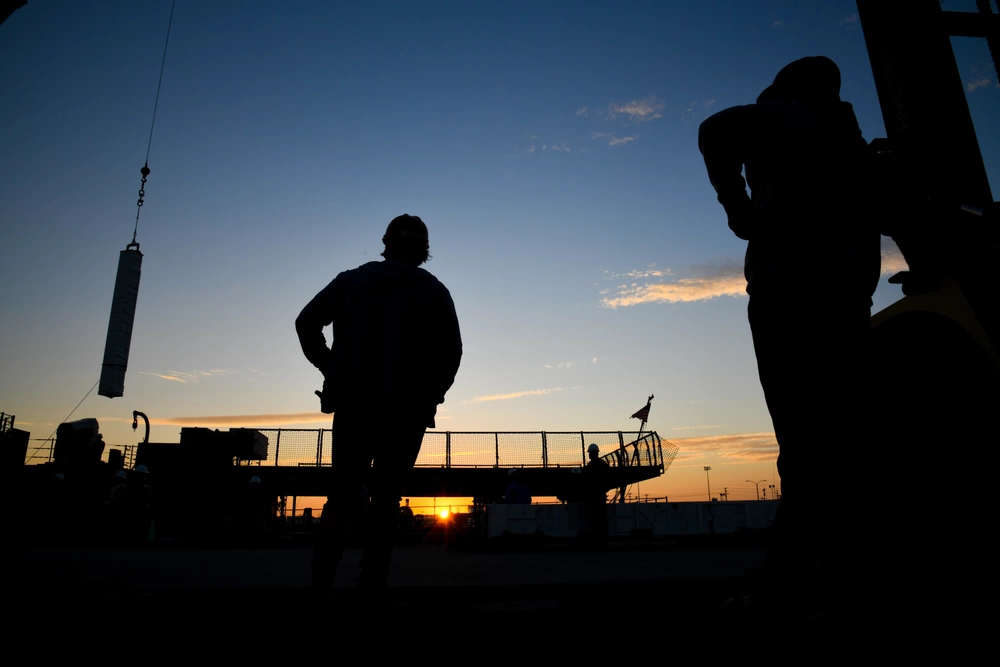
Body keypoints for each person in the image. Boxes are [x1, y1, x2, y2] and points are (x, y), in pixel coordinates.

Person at [698, 56, 880, 618]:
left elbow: (714, 130)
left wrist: (739, 211)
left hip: (791, 304)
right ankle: (838, 574)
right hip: (847, 305)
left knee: (805, 448)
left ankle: (787, 592)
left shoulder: (789, 118)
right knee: (841, 444)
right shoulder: (850, 144)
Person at [297, 214, 463, 598]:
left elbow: (306, 323)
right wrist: (430, 396)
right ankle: (373, 582)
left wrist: (331, 367)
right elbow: (451, 353)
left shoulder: (351, 281)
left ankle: (321, 581)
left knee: (343, 493)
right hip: (407, 414)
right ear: (423, 251)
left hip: (354, 406)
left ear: (386, 243)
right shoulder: (435, 291)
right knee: (387, 496)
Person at [582, 443, 610, 547]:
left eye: (590, 453)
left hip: (593, 496)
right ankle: (602, 541)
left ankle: (596, 540)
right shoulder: (602, 464)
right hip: (599, 495)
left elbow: (586, 480)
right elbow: (607, 479)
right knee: (600, 518)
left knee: (594, 518)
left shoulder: (591, 466)